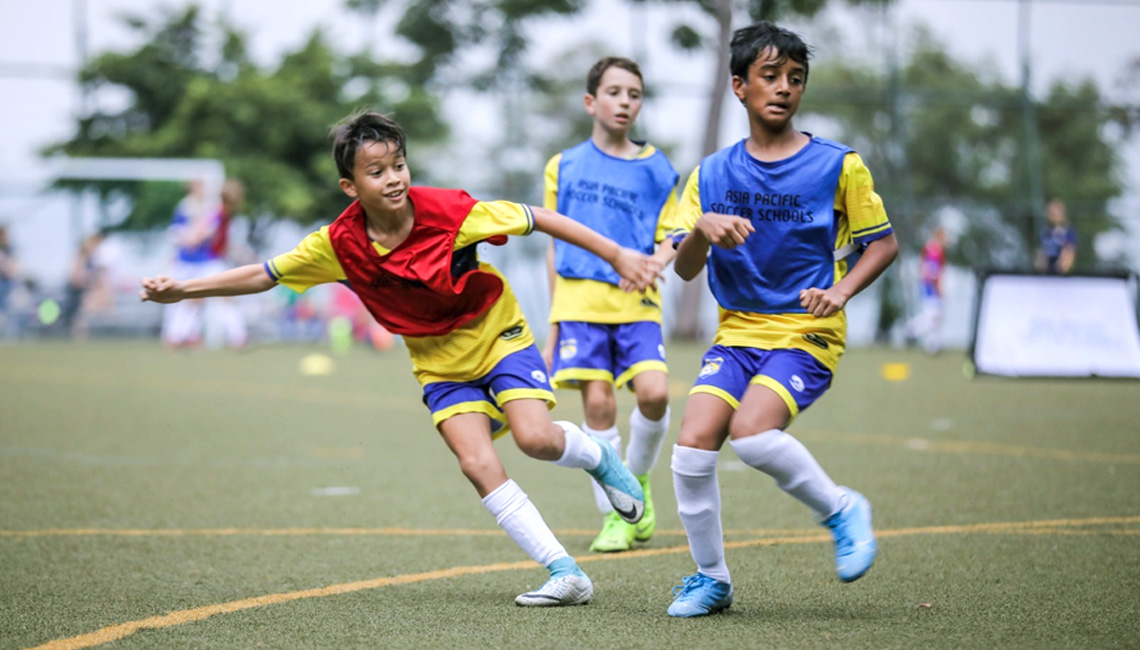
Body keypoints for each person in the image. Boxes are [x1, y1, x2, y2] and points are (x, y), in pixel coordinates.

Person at [140, 110, 660, 607]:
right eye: (376, 171)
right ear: (350, 186)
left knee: (536, 440)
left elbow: (538, 218)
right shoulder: (336, 245)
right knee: (476, 463)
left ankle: (600, 457)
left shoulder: (452, 212)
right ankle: (564, 572)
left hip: (496, 333)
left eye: (398, 165)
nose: (393, 178)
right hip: (437, 362)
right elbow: (265, 274)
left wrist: (617, 255)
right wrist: (183, 289)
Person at [664, 22, 899, 618]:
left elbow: (883, 244)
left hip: (805, 330)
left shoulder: (838, 166)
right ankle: (711, 579)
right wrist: (701, 228)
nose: (784, 88)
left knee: (753, 435)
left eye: (795, 78)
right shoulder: (712, 173)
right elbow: (686, 271)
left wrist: (842, 291)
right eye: (770, 76)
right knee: (692, 447)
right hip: (739, 330)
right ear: (739, 87)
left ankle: (842, 509)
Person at [541, 56, 681, 553]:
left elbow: (675, 234)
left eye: (634, 94)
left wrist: (654, 262)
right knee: (598, 404)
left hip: (635, 302)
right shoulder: (564, 165)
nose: (625, 102)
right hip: (579, 301)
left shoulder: (657, 168)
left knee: (655, 394)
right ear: (590, 101)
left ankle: (635, 480)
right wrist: (554, 319)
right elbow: (555, 245)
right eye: (615, 92)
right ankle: (616, 517)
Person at [906, 226, 947, 355]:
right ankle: (912, 329)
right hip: (930, 288)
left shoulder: (932, 249)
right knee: (932, 316)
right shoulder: (934, 250)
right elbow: (931, 271)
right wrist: (938, 287)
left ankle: (932, 345)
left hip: (928, 286)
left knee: (936, 318)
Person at [1036, 198, 1076, 274]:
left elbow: (1069, 252)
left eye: (1055, 212)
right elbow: (1041, 253)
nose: (1053, 215)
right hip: (1046, 272)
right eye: (1051, 213)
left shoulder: (1068, 230)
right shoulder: (1045, 231)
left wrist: (1062, 267)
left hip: (1061, 273)